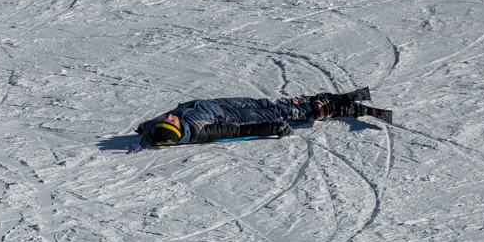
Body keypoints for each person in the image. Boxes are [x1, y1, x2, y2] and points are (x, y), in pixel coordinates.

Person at [135, 87, 384, 146]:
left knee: (266, 102)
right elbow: (235, 132)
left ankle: (308, 102)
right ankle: (323, 109)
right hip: (234, 118)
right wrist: (271, 127)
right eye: (171, 121)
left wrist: (145, 128)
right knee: (275, 112)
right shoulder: (202, 132)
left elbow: (152, 128)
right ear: (178, 131)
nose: (169, 115)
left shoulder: (159, 127)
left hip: (220, 104)